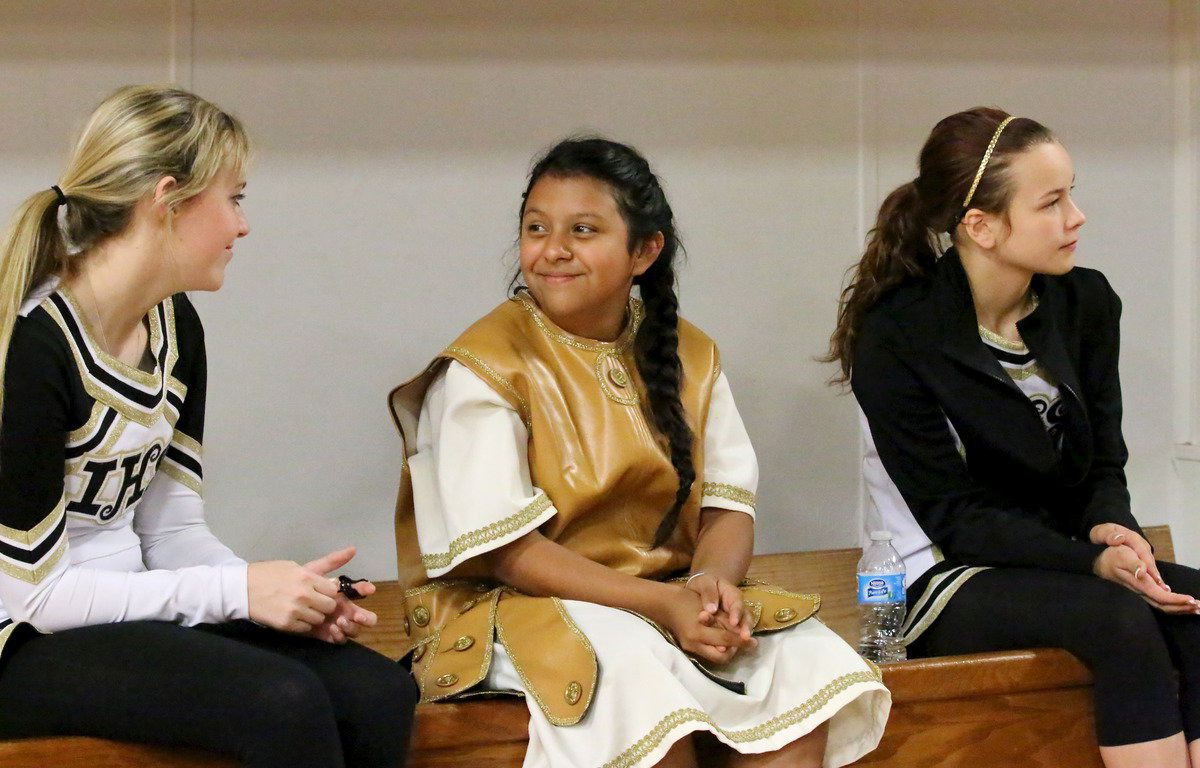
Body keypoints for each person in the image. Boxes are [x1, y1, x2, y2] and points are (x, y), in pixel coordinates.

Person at [388, 137, 888, 768]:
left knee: (796, 662)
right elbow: (510, 554)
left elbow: (728, 508)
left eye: (584, 230)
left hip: (664, 596)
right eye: (536, 228)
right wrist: (667, 605)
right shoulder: (482, 369)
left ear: (645, 251)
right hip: (513, 608)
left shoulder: (692, 356)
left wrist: (709, 589)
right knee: (639, 678)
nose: (553, 250)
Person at [0, 85, 417, 768]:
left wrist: (284, 595)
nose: (242, 226)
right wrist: (239, 591)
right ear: (167, 201)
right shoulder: (33, 350)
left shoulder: (175, 324)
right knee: (283, 702)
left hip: (122, 619)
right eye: (236, 198)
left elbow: (172, 532)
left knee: (377, 692)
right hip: (24, 640)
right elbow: (39, 596)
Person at [830, 106, 1200, 768]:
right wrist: (1091, 562)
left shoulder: (1085, 304)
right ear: (982, 226)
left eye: (1072, 194)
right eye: (1052, 203)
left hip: (1052, 559)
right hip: (931, 576)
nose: (1077, 218)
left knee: (1194, 606)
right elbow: (957, 518)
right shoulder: (898, 336)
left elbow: (1101, 466)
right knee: (1115, 618)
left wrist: (1114, 531)